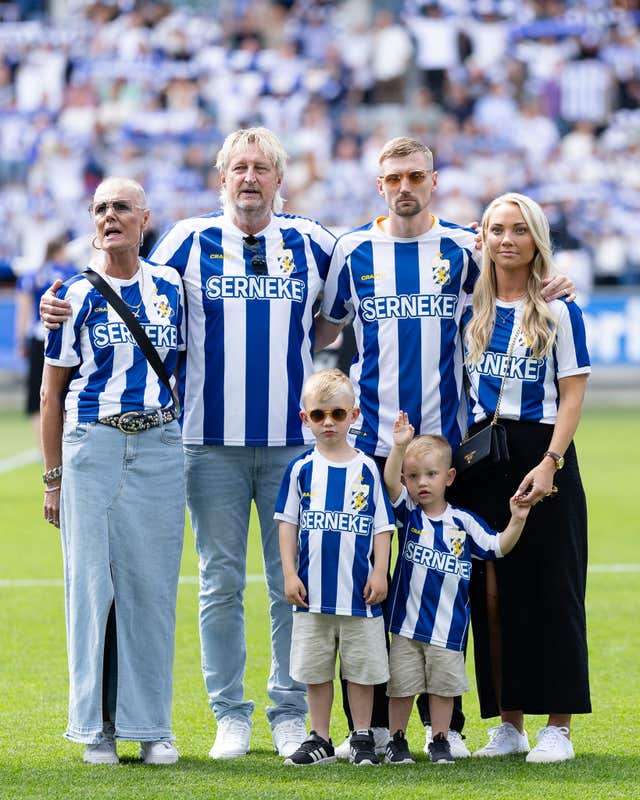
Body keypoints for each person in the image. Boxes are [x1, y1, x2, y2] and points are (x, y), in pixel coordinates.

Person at [40, 127, 336, 759]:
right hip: (205, 441)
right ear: (221, 178)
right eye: (238, 168)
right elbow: (127, 288)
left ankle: (287, 712)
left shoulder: (314, 243)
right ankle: (230, 712)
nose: (250, 178)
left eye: (261, 167)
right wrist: (57, 301)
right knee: (218, 581)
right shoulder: (186, 241)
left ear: (279, 178)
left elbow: (343, 310)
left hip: (293, 443)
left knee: (293, 581)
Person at [314, 136, 573, 758]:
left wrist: (555, 283)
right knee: (366, 587)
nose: (404, 187)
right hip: (373, 448)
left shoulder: (465, 247)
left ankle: (446, 727)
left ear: (434, 180)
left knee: (451, 582)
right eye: (393, 178)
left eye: (415, 176)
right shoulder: (352, 250)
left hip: (452, 449)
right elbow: (325, 323)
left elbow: (518, 273)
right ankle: (368, 728)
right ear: (379, 186)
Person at [40, 177, 186, 765]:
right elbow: (52, 395)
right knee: (90, 590)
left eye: (121, 207)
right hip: (93, 446)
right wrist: (52, 479)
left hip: (157, 443)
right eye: (100, 208)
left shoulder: (173, 286)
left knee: (151, 591)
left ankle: (151, 726)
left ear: (144, 218)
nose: (110, 216)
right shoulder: (71, 295)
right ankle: (96, 727)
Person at [459, 192, 591, 763]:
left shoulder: (559, 309)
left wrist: (551, 461)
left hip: (543, 449)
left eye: (518, 229)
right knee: (489, 593)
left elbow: (572, 393)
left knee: (553, 586)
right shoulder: (470, 307)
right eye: (496, 230)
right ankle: (507, 723)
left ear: (537, 237)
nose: (507, 239)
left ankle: (556, 725)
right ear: (482, 238)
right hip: (483, 455)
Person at [382, 417, 529, 765]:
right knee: (401, 687)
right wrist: (400, 446)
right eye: (414, 476)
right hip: (405, 627)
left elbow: (497, 547)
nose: (422, 483)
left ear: (448, 478)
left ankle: (440, 740)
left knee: (443, 689)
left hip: (448, 631)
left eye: (431, 475)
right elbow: (389, 483)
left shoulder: (464, 522)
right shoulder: (409, 515)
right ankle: (396, 740)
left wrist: (517, 518)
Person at [275, 369, 394, 766]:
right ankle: (321, 737)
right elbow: (288, 524)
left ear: (354, 415)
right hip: (313, 596)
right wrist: (290, 573)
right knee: (316, 669)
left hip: (359, 596)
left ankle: (361, 735)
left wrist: (380, 571)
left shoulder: (367, 469)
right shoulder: (300, 469)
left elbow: (382, 525)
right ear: (304, 418)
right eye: (319, 414)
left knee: (360, 671)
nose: (329, 423)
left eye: (338, 414)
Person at [14, 235, 76, 443]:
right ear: (59, 251)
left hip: (38, 336)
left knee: (37, 394)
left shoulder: (31, 276)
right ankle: (66, 443)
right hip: (62, 336)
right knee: (66, 391)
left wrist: (21, 339)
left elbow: (23, 310)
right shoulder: (70, 273)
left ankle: (43, 449)